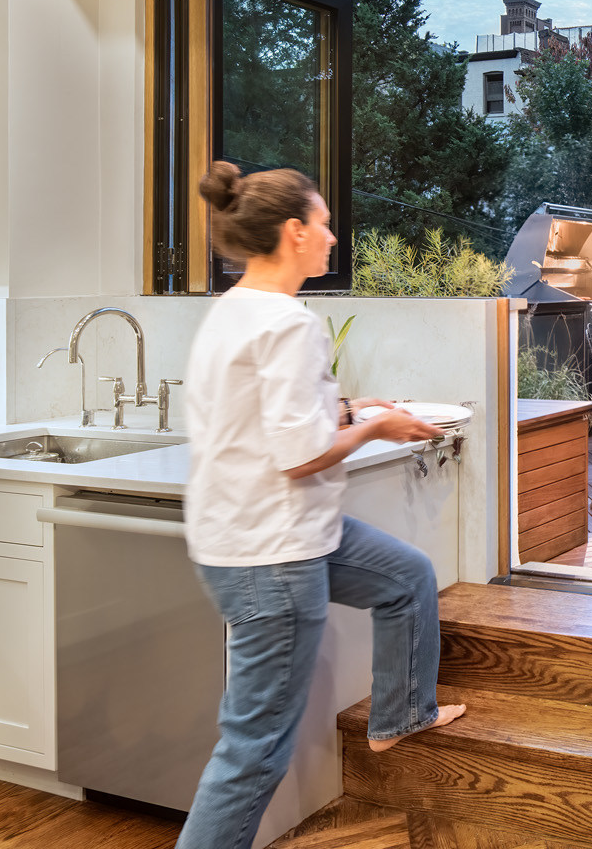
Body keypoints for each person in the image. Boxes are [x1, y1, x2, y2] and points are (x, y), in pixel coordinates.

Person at [177, 162, 465, 849]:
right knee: (254, 752)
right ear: (294, 230)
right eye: (326, 223)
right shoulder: (286, 323)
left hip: (268, 536)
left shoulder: (234, 308)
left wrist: (347, 406)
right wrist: (376, 427)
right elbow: (298, 454)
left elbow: (266, 415)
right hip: (274, 556)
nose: (334, 237)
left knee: (405, 577)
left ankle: (400, 714)